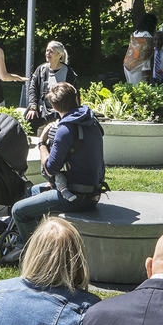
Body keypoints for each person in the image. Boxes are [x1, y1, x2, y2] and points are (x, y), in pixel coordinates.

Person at [10, 82, 105, 250]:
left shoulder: (66, 129)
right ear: (77, 99)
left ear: (53, 107)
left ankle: (32, 252)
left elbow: (50, 169)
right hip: (92, 192)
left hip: (76, 198)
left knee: (18, 210)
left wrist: (42, 143)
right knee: (31, 192)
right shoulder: (91, 120)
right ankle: (21, 243)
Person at [24, 41, 79, 133]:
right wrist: (33, 107)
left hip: (60, 110)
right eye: (47, 50)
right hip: (42, 109)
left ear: (59, 55)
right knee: (29, 119)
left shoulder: (68, 72)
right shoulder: (41, 69)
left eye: (51, 52)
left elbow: (73, 94)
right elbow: (33, 89)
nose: (47, 53)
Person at [123, 11, 157, 85]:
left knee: (131, 88)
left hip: (127, 65)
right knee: (140, 90)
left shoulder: (135, 33)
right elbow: (146, 58)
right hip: (138, 68)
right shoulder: (147, 37)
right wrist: (147, 77)